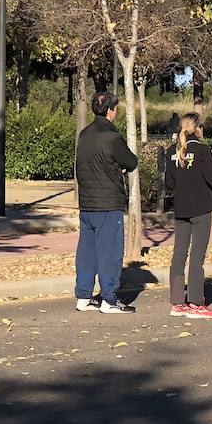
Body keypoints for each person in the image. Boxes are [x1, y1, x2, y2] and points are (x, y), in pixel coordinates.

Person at [74, 91, 138, 315]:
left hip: (87, 202)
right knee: (109, 252)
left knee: (87, 251)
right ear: (110, 111)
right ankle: (109, 298)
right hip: (108, 202)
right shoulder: (112, 136)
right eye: (115, 108)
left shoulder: (84, 134)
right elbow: (131, 161)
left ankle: (83, 295)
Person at [165, 112, 212, 319]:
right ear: (198, 128)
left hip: (181, 209)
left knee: (178, 256)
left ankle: (177, 302)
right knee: (197, 258)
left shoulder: (172, 152)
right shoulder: (202, 151)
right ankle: (195, 303)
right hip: (200, 210)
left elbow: (169, 183)